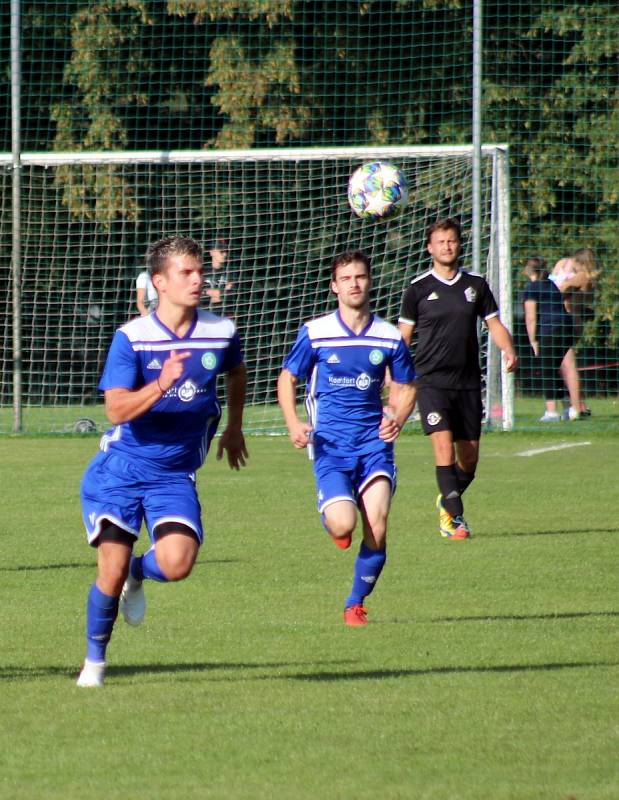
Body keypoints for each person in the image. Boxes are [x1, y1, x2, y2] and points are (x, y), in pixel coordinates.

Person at [77, 235, 248, 687]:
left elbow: (236, 371)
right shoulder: (132, 338)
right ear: (160, 282)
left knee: (177, 563)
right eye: (186, 273)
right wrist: (161, 385)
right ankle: (95, 661)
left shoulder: (221, 330)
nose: (197, 279)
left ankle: (140, 570)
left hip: (174, 475)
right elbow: (114, 410)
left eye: (199, 271)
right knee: (107, 572)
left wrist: (234, 427)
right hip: (121, 471)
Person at [277, 250, 416, 626]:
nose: (355, 284)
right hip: (331, 447)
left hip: (374, 446)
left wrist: (399, 417)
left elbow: (406, 385)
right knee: (343, 525)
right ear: (334, 286)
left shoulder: (388, 336)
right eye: (347, 278)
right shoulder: (316, 332)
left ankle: (355, 602)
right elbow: (287, 379)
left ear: (369, 282)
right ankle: (338, 518)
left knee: (379, 524)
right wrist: (293, 423)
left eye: (360, 277)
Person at [398, 218, 518, 540]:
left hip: (467, 383)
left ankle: (447, 498)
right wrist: (393, 371)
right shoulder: (418, 289)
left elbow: (494, 324)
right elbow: (403, 337)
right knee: (443, 448)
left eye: (451, 241)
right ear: (430, 248)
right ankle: (454, 520)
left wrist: (508, 350)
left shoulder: (476, 285)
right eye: (440, 242)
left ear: (458, 244)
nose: (447, 246)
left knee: (469, 457)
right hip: (431, 381)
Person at [523, 255, 579, 421]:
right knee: (555, 369)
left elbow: (531, 317)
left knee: (547, 370)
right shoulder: (551, 285)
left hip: (550, 331)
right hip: (566, 328)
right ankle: (569, 408)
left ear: (529, 270)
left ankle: (552, 412)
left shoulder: (532, 288)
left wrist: (533, 340)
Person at [555, 247, 599, 417]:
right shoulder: (566, 266)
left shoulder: (583, 276)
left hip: (570, 322)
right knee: (559, 365)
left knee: (567, 363)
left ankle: (576, 408)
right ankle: (578, 404)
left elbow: (562, 290)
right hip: (558, 320)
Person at [202, 237, 236, 317]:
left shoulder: (230, 272)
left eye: (226, 251)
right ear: (212, 252)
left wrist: (207, 292)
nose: (225, 254)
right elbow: (199, 296)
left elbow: (226, 296)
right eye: (221, 251)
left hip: (223, 316)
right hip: (204, 315)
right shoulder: (202, 272)